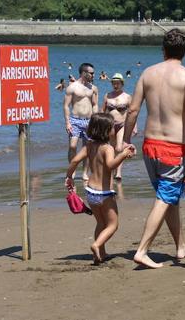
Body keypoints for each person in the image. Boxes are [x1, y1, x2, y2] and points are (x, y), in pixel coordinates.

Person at [123, 28, 185, 269]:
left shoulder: (148, 73)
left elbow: (133, 109)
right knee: (165, 197)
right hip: (173, 148)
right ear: (184, 52)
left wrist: (126, 139)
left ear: (163, 49)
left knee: (169, 198)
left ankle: (180, 246)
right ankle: (142, 250)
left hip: (150, 146)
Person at [65, 113, 135, 264]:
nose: (114, 130)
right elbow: (110, 166)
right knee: (113, 225)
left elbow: (75, 160)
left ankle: (101, 254)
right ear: (105, 131)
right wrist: (123, 155)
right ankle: (96, 245)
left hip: (90, 191)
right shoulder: (107, 148)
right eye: (112, 128)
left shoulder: (89, 146)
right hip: (104, 193)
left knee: (100, 223)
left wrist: (69, 177)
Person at [64, 63, 98, 180]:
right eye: (91, 73)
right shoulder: (72, 87)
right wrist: (67, 122)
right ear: (84, 73)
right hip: (75, 120)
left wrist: (96, 120)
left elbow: (94, 105)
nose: (94, 75)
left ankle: (84, 173)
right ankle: (72, 170)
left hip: (89, 121)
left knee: (87, 148)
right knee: (72, 146)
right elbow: (66, 106)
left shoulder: (93, 88)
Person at [102, 73, 133, 179]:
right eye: (114, 83)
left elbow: (132, 113)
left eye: (118, 83)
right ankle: (112, 167)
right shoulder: (107, 95)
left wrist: (134, 127)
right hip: (109, 125)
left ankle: (118, 172)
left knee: (119, 148)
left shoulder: (127, 97)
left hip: (122, 125)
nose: (115, 85)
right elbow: (103, 111)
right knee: (111, 148)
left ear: (122, 84)